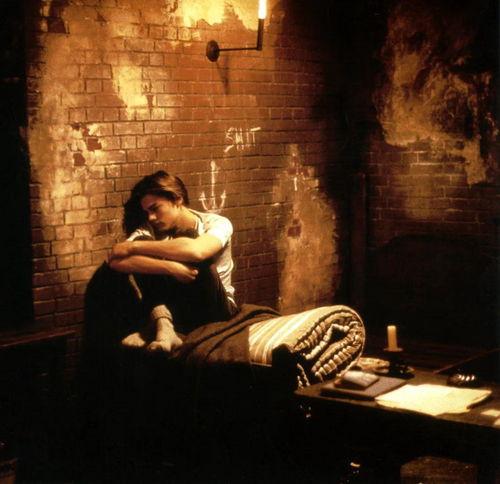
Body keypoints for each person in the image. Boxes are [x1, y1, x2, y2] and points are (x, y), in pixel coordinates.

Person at [108, 170, 238, 353]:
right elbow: (115, 262)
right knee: (144, 243)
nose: (151, 217)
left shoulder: (217, 223)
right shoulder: (149, 230)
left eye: (155, 208)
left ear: (177, 199)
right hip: (179, 311)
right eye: (147, 212)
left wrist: (133, 247)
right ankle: (164, 326)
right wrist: (170, 267)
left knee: (189, 237)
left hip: (217, 310)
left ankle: (155, 328)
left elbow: (197, 251)